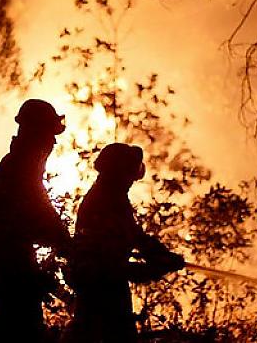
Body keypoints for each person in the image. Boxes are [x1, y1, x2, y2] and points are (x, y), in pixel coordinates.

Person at [64, 143, 185, 343]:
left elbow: (135, 235)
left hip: (109, 287)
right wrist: (155, 269)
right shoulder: (101, 203)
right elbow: (110, 267)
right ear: (116, 173)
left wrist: (162, 254)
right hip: (98, 289)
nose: (131, 181)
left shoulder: (115, 200)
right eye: (128, 174)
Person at [0, 99, 72, 340]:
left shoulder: (18, 166)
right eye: (49, 134)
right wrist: (63, 240)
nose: (52, 142)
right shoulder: (20, 169)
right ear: (35, 133)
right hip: (11, 261)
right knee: (20, 327)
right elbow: (34, 210)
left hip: (12, 257)